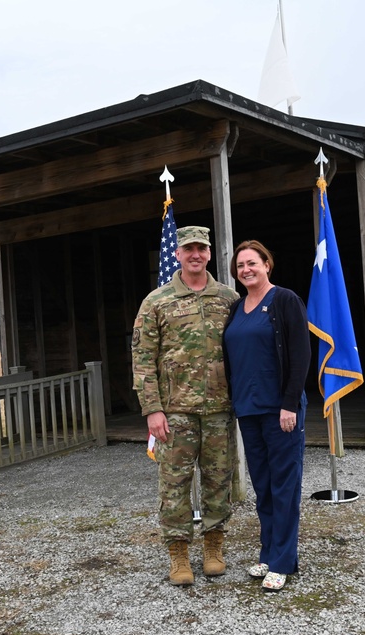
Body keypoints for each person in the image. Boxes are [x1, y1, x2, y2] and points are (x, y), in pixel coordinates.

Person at [131, 225, 239, 586]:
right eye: (189, 248)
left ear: (209, 254)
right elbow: (143, 357)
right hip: (175, 411)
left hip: (220, 410)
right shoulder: (157, 301)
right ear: (177, 254)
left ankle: (213, 547)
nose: (196, 254)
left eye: (202, 249)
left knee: (218, 480)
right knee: (174, 484)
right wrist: (152, 408)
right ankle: (178, 553)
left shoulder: (228, 298)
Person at [223, 240, 311, 591]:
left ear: (267, 265)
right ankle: (268, 553)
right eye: (240, 265)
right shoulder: (235, 308)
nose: (246, 269)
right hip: (248, 410)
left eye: (252, 263)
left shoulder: (285, 300)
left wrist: (289, 403)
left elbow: (301, 354)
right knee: (264, 487)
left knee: (284, 485)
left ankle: (283, 561)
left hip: (280, 411)